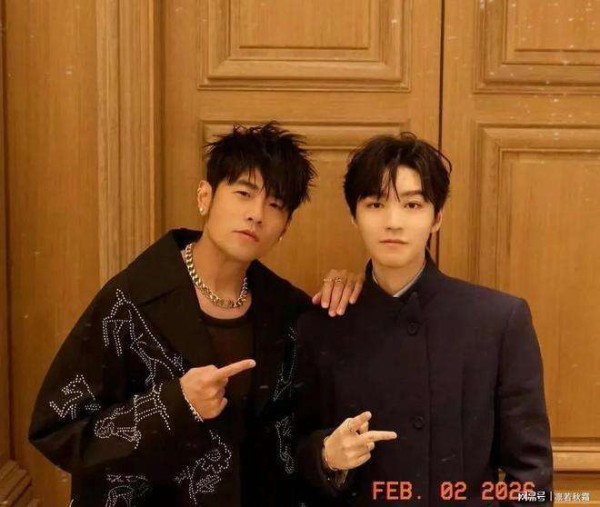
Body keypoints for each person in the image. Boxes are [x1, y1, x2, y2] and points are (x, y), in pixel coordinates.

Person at [28, 122, 364, 506]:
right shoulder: (131, 300)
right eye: (243, 193)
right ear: (205, 197)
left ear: (284, 227)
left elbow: (298, 441)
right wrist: (176, 404)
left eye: (274, 205)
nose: (256, 214)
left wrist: (357, 290)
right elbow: (58, 430)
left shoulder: (289, 314)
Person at [294, 133, 553, 506]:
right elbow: (289, 451)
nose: (393, 222)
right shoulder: (322, 324)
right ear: (354, 216)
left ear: (437, 217)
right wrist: (325, 457)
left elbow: (531, 477)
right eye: (375, 204)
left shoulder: (497, 321)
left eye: (413, 205)